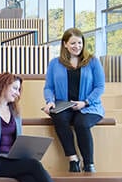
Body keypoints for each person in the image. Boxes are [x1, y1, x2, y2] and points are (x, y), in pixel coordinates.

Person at [43, 28, 105, 173]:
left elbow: (100, 86)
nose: (76, 46)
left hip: (89, 106)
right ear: (65, 44)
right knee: (58, 117)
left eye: (79, 43)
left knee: (81, 124)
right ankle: (73, 159)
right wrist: (49, 101)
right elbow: (48, 87)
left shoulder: (93, 62)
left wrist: (85, 102)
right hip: (64, 105)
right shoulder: (54, 63)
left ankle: (89, 163)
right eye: (72, 43)